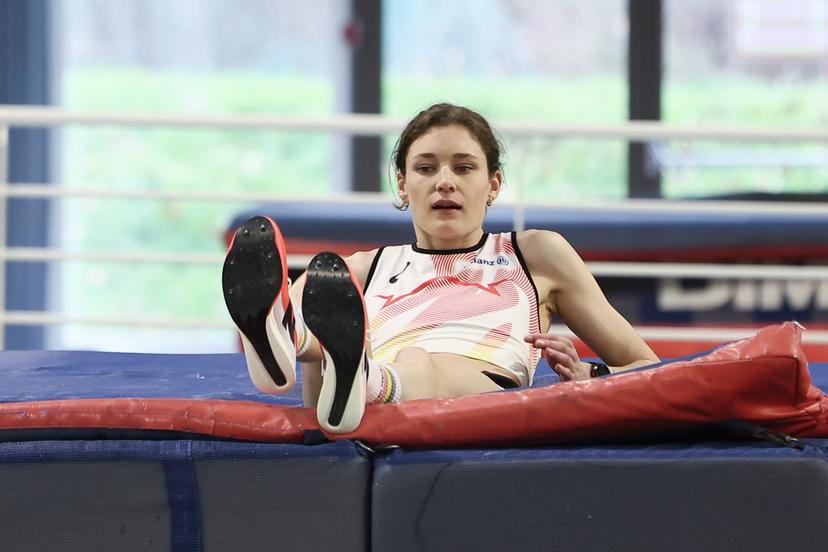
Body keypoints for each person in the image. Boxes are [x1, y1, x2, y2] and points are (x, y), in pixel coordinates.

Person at [222, 103, 659, 434]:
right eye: (426, 168)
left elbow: (646, 365)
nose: (444, 181)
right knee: (320, 293)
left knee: (414, 359)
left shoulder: (536, 254)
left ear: (493, 184)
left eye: (463, 168)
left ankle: (360, 377)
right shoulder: (364, 267)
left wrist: (592, 375)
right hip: (355, 404)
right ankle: (294, 341)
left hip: (479, 394)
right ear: (402, 184)